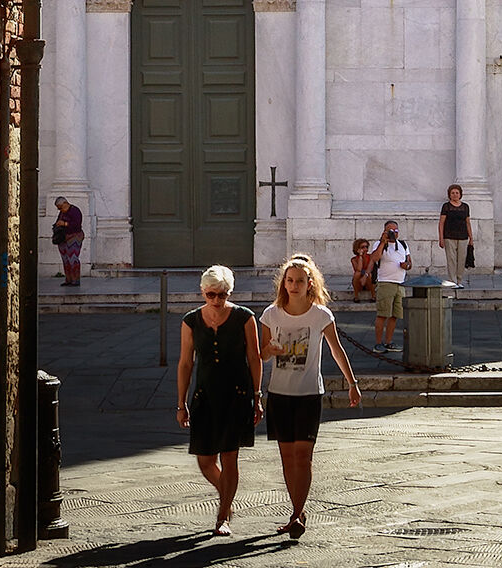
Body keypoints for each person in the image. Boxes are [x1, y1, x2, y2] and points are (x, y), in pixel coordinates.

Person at [259, 254, 359, 540]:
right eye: (289, 281)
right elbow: (261, 355)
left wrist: (352, 383)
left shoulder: (321, 315)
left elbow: (336, 349)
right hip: (279, 394)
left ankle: (297, 513)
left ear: (309, 284)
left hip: (309, 394)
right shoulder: (271, 315)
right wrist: (270, 351)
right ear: (283, 283)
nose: (294, 286)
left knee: (303, 456)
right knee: (287, 457)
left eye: (300, 281)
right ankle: (297, 511)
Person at [176, 265, 262, 536]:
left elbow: (255, 358)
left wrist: (257, 396)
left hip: (237, 395)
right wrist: (181, 403)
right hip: (204, 395)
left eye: (222, 295)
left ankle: (222, 516)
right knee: (204, 460)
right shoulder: (191, 321)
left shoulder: (244, 317)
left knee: (229, 456)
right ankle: (227, 496)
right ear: (202, 291)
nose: (216, 300)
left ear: (230, 292)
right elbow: (185, 363)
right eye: (211, 294)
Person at [370, 218, 411, 355]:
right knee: (382, 314)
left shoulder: (403, 245)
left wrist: (407, 266)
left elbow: (410, 263)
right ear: (385, 231)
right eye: (390, 230)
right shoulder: (378, 244)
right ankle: (378, 343)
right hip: (385, 283)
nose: (393, 233)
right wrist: (383, 242)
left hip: (400, 284)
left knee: (395, 315)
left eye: (395, 230)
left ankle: (388, 342)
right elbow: (375, 258)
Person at [437, 185, 473, 281]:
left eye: (457, 193)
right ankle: (452, 280)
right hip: (449, 236)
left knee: (461, 259)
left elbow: (468, 223)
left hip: (463, 236)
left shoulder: (465, 207)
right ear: (449, 194)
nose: (455, 195)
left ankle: (459, 280)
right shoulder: (446, 206)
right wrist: (441, 238)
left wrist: (471, 237)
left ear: (460, 194)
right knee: (451, 259)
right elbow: (441, 223)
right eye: (452, 193)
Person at [50, 198, 84, 287]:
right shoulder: (62, 213)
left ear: (65, 203)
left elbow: (77, 225)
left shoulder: (75, 211)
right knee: (65, 259)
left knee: (73, 258)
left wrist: (65, 224)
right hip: (63, 238)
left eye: (60, 207)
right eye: (58, 208)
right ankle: (68, 279)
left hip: (74, 236)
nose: (60, 210)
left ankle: (75, 280)